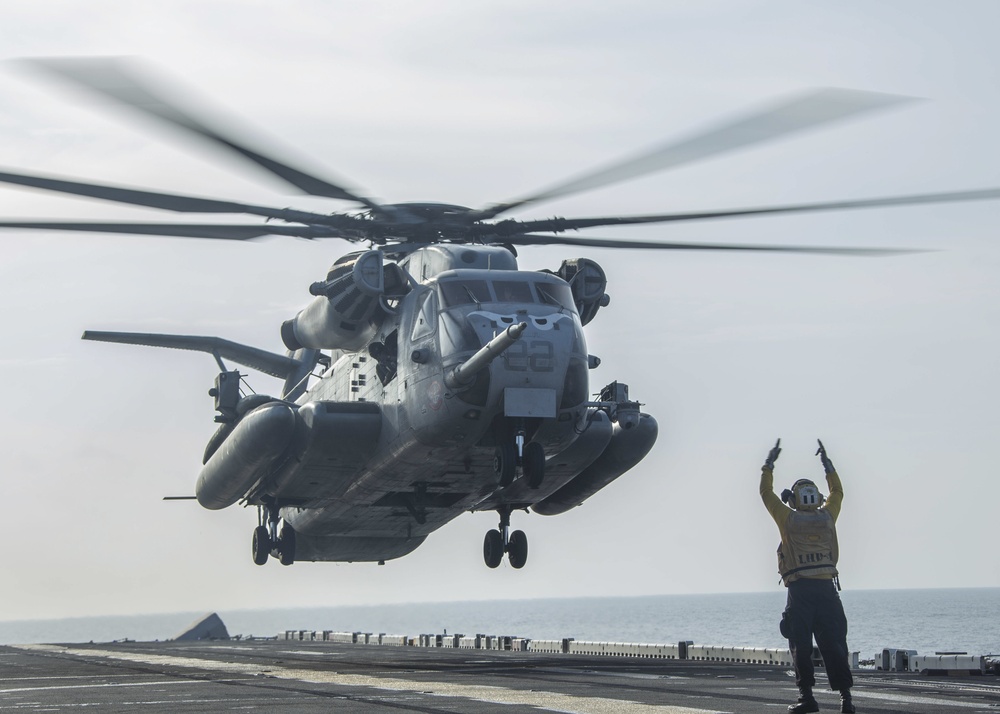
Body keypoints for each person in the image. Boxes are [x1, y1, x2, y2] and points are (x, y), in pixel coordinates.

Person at [760, 439, 855, 714]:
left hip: (800, 592)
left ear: (795, 499)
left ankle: (807, 699)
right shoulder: (828, 516)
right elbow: (837, 491)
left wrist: (769, 464)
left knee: (800, 645)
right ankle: (846, 700)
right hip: (827, 589)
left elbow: (766, 492)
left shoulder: (787, 519)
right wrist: (827, 464)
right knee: (835, 644)